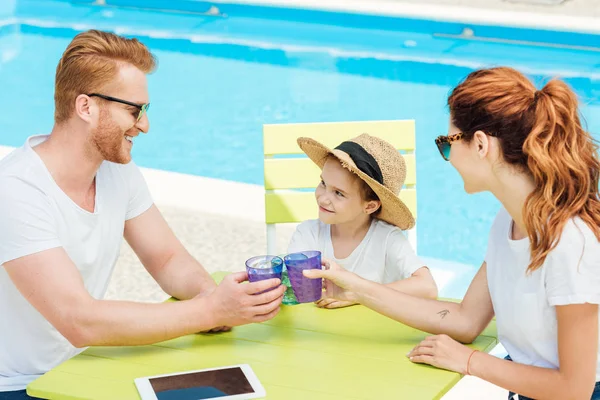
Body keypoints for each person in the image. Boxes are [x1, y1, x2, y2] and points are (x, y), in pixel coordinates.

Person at [0, 30, 284, 397]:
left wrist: (212, 296)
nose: (144, 125)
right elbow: (79, 320)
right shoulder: (16, 190)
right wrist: (209, 312)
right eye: (134, 110)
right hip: (20, 387)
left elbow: (167, 259)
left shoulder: (116, 169)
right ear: (86, 107)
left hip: (80, 367)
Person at [304, 67, 600, 399]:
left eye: (447, 143)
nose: (446, 156)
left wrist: (469, 361)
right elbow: (465, 319)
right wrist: (357, 288)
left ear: (481, 145)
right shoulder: (509, 221)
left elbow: (575, 389)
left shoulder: (570, 243)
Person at [288, 134, 437, 309]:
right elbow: (295, 285)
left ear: (370, 206)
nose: (323, 198)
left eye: (338, 193)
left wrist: (359, 294)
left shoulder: (387, 238)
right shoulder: (308, 233)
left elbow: (428, 288)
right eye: (323, 183)